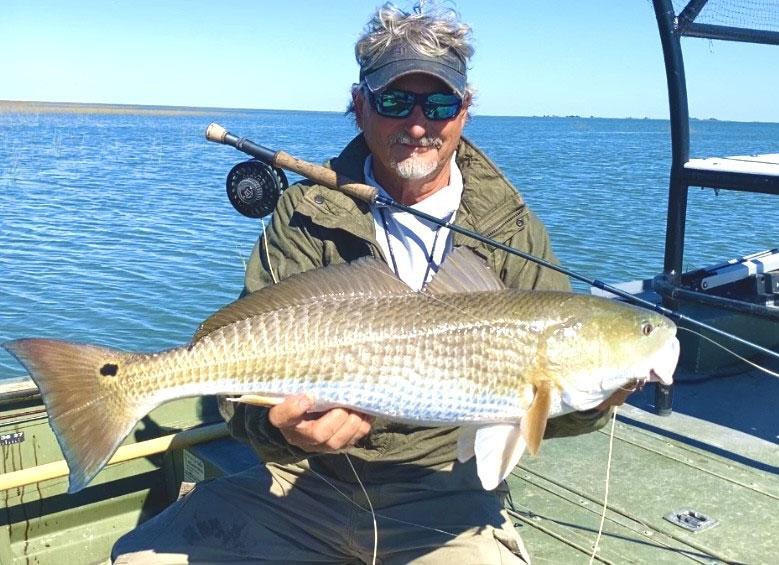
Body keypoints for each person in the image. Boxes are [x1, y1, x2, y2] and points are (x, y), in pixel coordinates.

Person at [113, 2, 629, 563]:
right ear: (359, 106)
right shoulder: (303, 215)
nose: (416, 125)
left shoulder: (512, 230)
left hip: (446, 498)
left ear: (464, 111)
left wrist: (601, 396)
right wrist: (282, 430)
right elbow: (237, 398)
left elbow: (546, 409)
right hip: (308, 485)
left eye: (438, 103)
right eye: (393, 101)